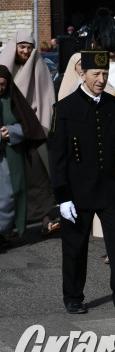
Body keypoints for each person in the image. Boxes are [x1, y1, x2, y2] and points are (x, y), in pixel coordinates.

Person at [49, 51, 115, 317]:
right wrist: (62, 196)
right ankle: (73, 296)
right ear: (83, 74)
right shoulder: (65, 109)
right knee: (75, 247)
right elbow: (57, 156)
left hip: (111, 188)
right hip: (77, 191)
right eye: (96, 74)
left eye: (104, 74)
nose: (101, 79)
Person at [0, 31, 59, 236]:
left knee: (38, 175)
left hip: (32, 129)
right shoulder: (4, 69)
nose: (25, 51)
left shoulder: (39, 66)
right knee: (9, 181)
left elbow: (46, 97)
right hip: (8, 131)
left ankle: (45, 219)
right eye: (22, 46)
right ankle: (9, 225)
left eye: (29, 47)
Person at [0, 66, 47, 250]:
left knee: (11, 196)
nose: (0, 88)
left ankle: (4, 231)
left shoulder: (13, 99)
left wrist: (11, 131)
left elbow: (28, 125)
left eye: (2, 84)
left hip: (12, 156)